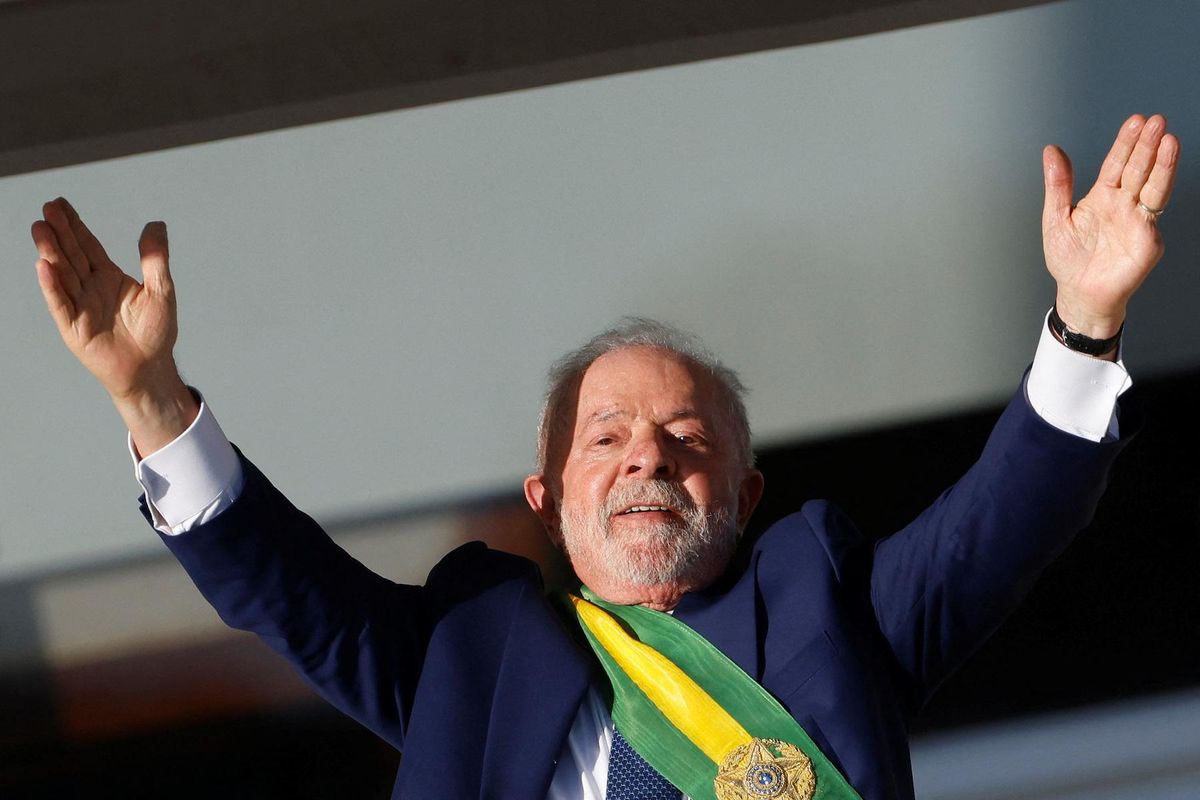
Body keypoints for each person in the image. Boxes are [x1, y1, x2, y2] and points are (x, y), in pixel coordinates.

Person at [31, 114, 1178, 799]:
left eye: (687, 438)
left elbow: (1007, 516)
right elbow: (284, 588)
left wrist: (1082, 318)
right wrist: (148, 393)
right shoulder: (469, 657)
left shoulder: (834, 609)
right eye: (608, 436)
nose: (649, 458)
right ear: (547, 496)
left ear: (745, 490)